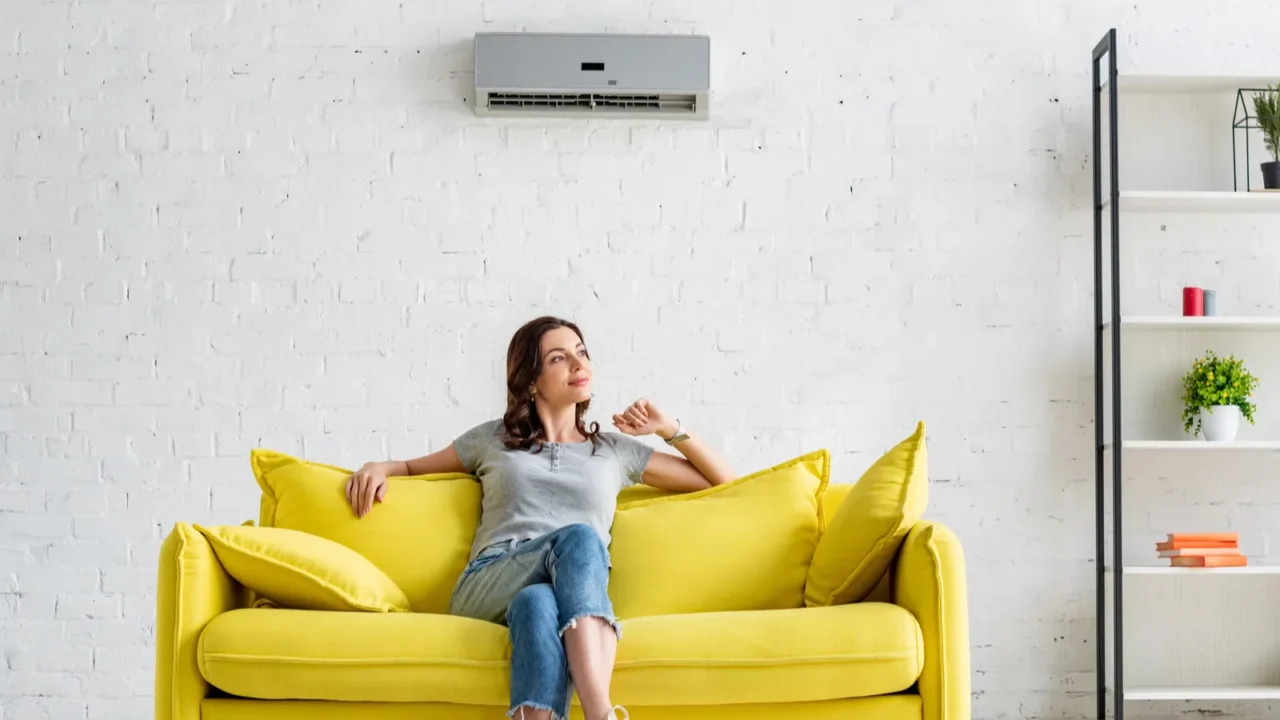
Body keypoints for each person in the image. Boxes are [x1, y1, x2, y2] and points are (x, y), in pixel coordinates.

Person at [345, 315, 737, 720]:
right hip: (490, 580)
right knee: (582, 539)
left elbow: (724, 482)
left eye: (581, 353)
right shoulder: (493, 439)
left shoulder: (614, 451)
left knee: (537, 603)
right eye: (558, 358)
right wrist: (380, 466)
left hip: (559, 590)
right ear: (531, 380)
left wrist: (668, 428)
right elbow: (410, 467)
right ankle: (600, 713)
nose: (577, 364)